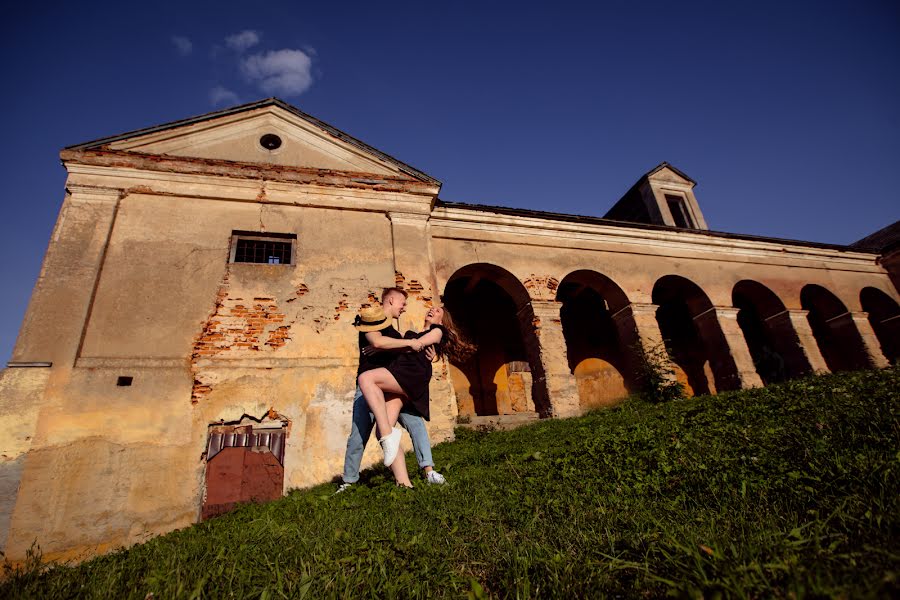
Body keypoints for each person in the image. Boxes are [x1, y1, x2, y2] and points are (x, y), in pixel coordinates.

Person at [338, 288, 446, 492]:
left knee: (413, 425)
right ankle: (349, 481)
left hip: (393, 386)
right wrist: (404, 344)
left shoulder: (396, 333)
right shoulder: (370, 319)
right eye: (402, 303)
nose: (404, 308)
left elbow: (407, 350)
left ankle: (409, 481)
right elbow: (378, 341)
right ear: (391, 300)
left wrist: (424, 355)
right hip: (369, 386)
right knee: (359, 434)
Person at [358, 305, 472, 477]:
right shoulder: (411, 334)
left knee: (366, 378)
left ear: (442, 320)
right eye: (431, 308)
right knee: (383, 429)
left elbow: (419, 344)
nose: (432, 310)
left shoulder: (438, 330)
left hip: (411, 374)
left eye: (438, 311)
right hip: (401, 373)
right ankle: (407, 479)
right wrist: (381, 347)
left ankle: (426, 467)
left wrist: (399, 345)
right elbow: (402, 345)